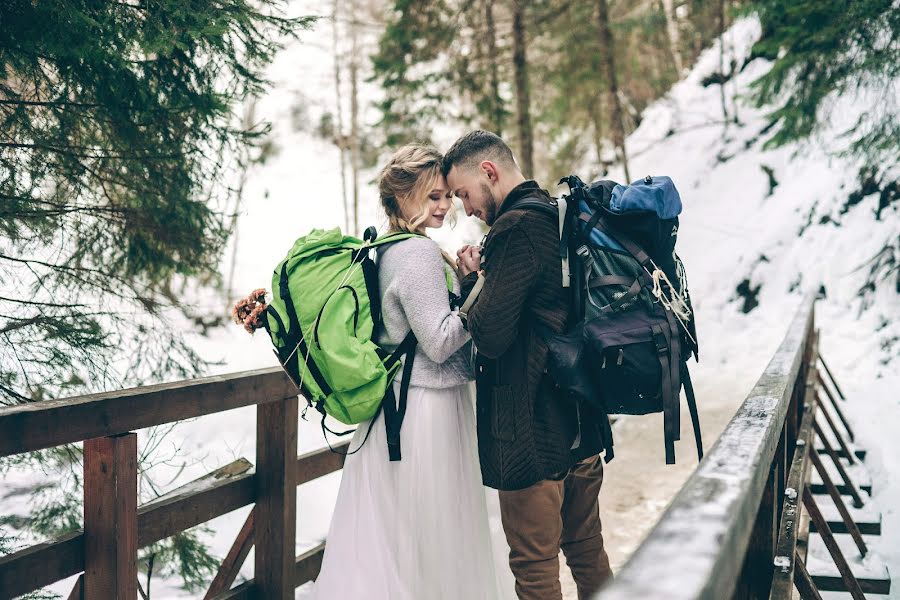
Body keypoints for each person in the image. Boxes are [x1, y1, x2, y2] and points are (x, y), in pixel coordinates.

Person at [307, 144, 514, 600]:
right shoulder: (417, 253)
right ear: (402, 199)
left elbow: (419, 326)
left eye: (446, 197)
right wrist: (485, 286)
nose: (444, 206)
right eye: (432, 196)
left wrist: (462, 284)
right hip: (426, 407)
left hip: (404, 406)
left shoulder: (390, 248)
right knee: (436, 528)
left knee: (406, 532)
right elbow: (440, 341)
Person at [446, 130, 613, 600]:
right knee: (586, 549)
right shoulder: (557, 214)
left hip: (532, 432)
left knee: (534, 567)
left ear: (489, 172)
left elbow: (492, 337)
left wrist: (470, 281)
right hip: (582, 421)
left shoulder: (515, 229)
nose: (467, 208)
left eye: (464, 194)